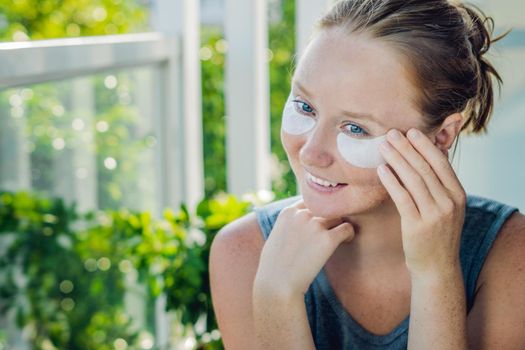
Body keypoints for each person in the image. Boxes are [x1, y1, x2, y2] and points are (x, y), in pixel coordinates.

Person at [209, 0, 525, 348]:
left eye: (355, 128)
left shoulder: (510, 255)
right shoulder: (242, 252)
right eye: (305, 106)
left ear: (441, 137)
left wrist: (435, 274)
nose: (311, 152)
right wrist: (276, 297)